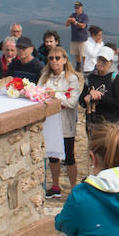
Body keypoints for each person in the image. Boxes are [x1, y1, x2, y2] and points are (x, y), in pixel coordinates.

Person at [39, 48, 82, 198]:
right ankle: (55, 185)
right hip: (50, 122)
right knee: (52, 156)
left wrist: (54, 95)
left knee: (69, 156)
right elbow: (39, 94)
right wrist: (58, 97)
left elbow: (72, 102)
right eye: (51, 58)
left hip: (65, 122)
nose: (54, 61)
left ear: (65, 59)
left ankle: (73, 188)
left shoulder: (72, 78)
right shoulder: (45, 77)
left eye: (57, 58)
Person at [83, 47, 119, 130]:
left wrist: (99, 97)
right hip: (92, 122)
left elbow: (118, 102)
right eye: (100, 59)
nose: (101, 63)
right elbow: (82, 100)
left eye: (105, 61)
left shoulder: (115, 79)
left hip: (110, 123)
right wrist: (87, 97)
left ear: (111, 62)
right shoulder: (90, 77)